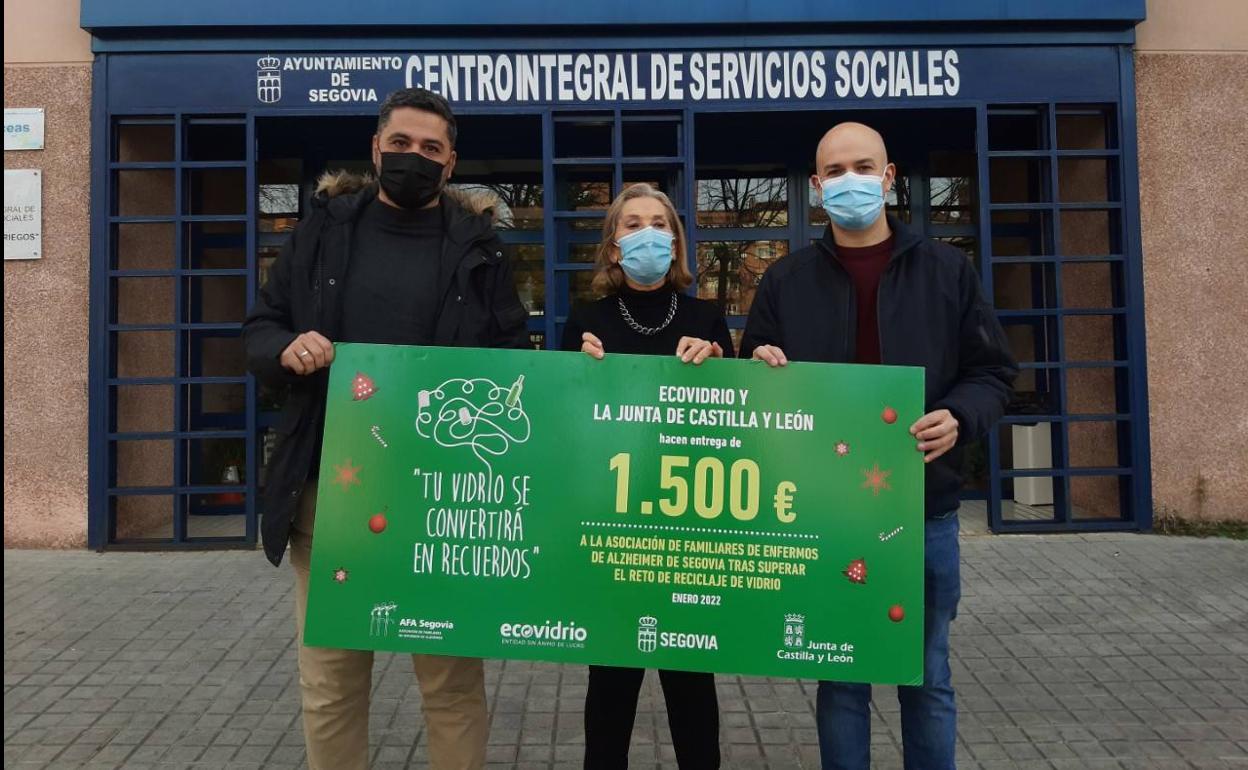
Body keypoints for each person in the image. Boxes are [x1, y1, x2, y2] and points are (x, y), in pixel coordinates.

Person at [242, 87, 529, 770]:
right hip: (331, 490)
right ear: (376, 149)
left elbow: (514, 357)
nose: (414, 158)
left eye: (431, 149)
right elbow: (259, 328)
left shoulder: (480, 248)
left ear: (451, 162)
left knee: (452, 683)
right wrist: (286, 350)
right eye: (400, 144)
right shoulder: (322, 230)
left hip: (441, 497)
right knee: (332, 685)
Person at [741, 123, 1017, 770]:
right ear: (815, 187)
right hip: (828, 519)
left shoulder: (947, 270)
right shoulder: (785, 280)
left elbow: (994, 374)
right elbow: (752, 378)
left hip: (924, 514)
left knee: (927, 677)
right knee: (840, 679)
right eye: (834, 172)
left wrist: (959, 415)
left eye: (863, 166)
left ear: (889, 177)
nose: (849, 181)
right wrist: (758, 366)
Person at [562, 183, 730, 769]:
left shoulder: (708, 318)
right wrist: (575, 373)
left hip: (687, 534)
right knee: (608, 695)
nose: (648, 234)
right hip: (613, 532)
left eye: (659, 223)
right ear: (614, 247)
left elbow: (740, 426)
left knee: (692, 694)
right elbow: (563, 424)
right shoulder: (585, 319)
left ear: (676, 240)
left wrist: (719, 364)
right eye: (632, 224)